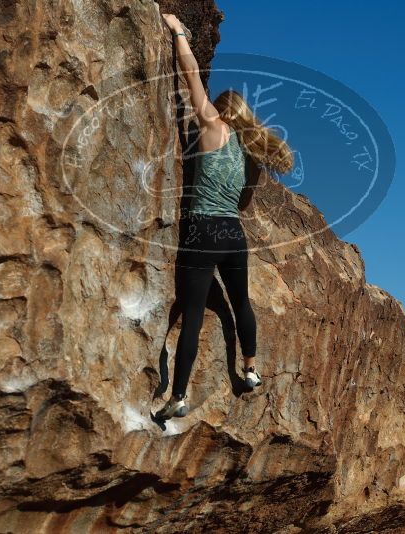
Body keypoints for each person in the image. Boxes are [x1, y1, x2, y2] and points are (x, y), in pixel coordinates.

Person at [155, 14, 294, 420]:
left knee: (193, 314)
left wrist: (178, 30)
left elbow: (190, 73)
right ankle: (250, 369)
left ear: (222, 111)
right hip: (234, 232)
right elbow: (245, 203)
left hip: (202, 229)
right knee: (241, 303)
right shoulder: (250, 153)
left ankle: (177, 397)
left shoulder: (212, 126)